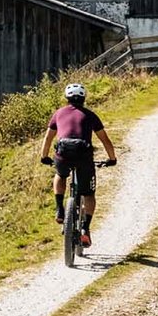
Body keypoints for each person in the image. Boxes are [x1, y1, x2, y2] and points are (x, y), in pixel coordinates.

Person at [39, 82, 118, 247]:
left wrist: (44, 156)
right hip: (83, 156)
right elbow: (105, 140)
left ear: (66, 98)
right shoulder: (90, 115)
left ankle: (60, 208)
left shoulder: (58, 113)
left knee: (60, 175)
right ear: (84, 98)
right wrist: (112, 159)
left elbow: (48, 138)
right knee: (88, 194)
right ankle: (85, 228)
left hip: (63, 154)